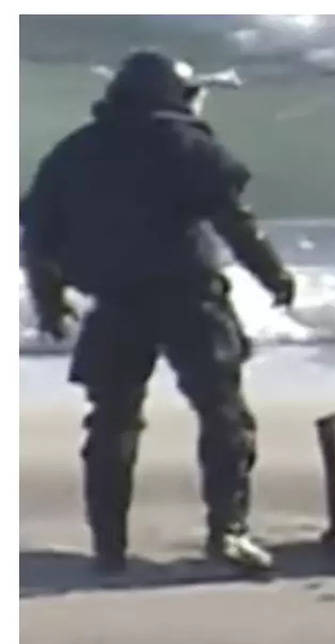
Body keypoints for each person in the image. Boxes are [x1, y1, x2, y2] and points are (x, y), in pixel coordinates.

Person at [20, 50, 296, 573]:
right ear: (174, 94)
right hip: (188, 298)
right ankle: (228, 531)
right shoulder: (186, 144)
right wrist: (272, 274)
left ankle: (109, 547)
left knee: (111, 423)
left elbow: (38, 236)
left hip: (116, 302)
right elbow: (234, 220)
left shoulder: (74, 152)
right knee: (224, 415)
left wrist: (49, 301)